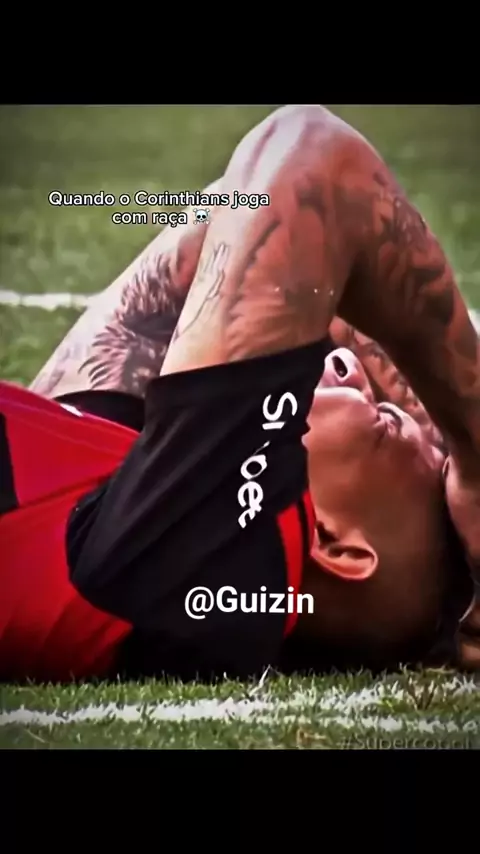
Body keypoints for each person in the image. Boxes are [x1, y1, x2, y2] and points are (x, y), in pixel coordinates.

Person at [1, 104, 478, 682]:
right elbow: (238, 216)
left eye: (382, 422)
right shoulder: (114, 533)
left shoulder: (184, 565)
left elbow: (312, 161)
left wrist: (474, 454)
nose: (350, 365)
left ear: (335, 545)